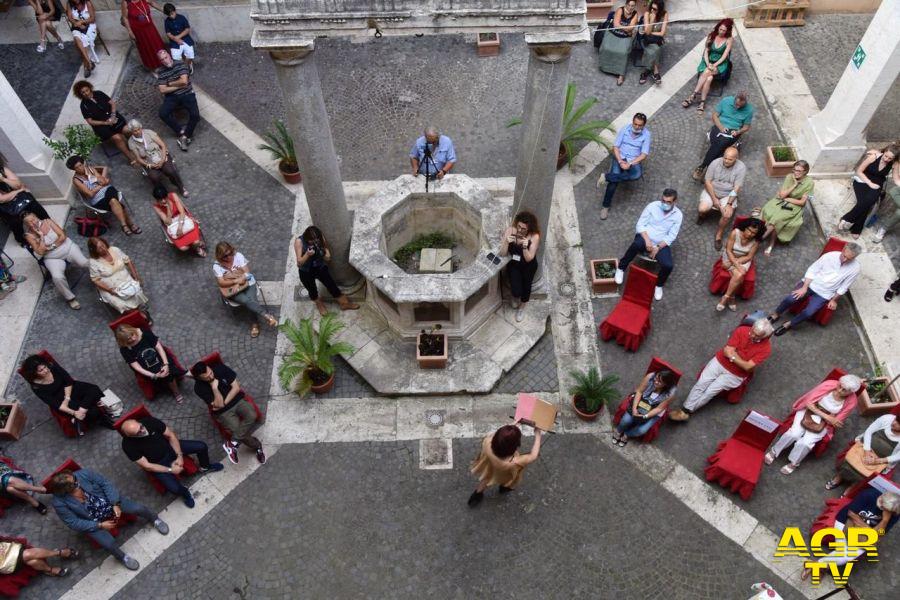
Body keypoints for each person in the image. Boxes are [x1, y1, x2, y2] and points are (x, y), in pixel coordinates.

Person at [49, 468, 169, 571]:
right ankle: (122, 557)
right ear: (65, 490)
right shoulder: (59, 502)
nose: (77, 481)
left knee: (138, 508)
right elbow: (73, 522)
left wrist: (115, 503)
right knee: (109, 544)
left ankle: (155, 519)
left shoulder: (84, 474)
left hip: (109, 502)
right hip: (93, 520)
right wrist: (99, 525)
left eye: (74, 477)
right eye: (74, 483)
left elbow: (105, 484)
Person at [669, 318, 774, 422]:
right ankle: (686, 411)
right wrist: (741, 360)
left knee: (710, 392)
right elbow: (728, 352)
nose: (752, 335)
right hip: (720, 362)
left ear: (764, 337)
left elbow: (747, 367)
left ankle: (685, 411)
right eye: (753, 331)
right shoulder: (742, 330)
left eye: (757, 335)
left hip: (736, 375)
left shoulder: (766, 349)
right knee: (701, 383)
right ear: (753, 326)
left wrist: (733, 357)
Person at [765, 374, 861, 475]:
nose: (840, 390)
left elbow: (836, 421)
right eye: (840, 386)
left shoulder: (852, 401)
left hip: (824, 423)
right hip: (807, 412)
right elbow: (808, 402)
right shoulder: (828, 384)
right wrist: (827, 416)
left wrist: (824, 416)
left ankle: (794, 462)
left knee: (806, 443)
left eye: (845, 390)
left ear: (851, 392)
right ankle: (774, 451)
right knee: (794, 433)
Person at [118, 415, 224, 507]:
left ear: (139, 422)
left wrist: (180, 456)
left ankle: (205, 466)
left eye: (141, 426)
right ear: (130, 436)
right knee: (174, 488)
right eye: (138, 432)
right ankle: (185, 493)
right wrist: (170, 470)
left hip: (170, 448)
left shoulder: (149, 421)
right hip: (158, 462)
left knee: (201, 446)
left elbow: (170, 435)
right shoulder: (127, 445)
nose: (142, 430)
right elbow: (147, 466)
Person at [800, 491, 899, 581]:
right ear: (881, 500)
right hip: (845, 522)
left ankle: (816, 565)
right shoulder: (869, 495)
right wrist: (869, 529)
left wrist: (885, 520)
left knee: (846, 556)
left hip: (862, 536)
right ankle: (821, 568)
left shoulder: (893, 514)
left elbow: (880, 534)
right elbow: (851, 514)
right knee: (843, 553)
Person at [768, 242, 861, 336]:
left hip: (825, 293)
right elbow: (812, 270)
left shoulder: (855, 268)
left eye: (849, 259)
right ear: (843, 249)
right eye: (844, 256)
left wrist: (834, 300)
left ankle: (789, 324)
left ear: (854, 257)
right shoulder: (829, 256)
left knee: (808, 313)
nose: (844, 260)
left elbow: (844, 286)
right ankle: (776, 314)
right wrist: (804, 287)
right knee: (790, 299)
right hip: (811, 284)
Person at [191, 360, 266, 465]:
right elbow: (219, 404)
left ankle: (233, 443)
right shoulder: (198, 388)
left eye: (210, 373)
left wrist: (223, 403)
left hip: (237, 400)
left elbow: (236, 388)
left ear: (209, 367)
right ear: (199, 378)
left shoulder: (220, 368)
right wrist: (214, 388)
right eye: (206, 377)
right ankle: (257, 446)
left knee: (252, 415)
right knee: (237, 430)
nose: (211, 377)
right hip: (223, 412)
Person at [613, 189, 681, 300]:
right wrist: (647, 240)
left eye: (668, 202)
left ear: (675, 202)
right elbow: (640, 225)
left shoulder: (678, 215)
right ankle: (621, 268)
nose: (664, 204)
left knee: (668, 265)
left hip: (661, 243)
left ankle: (659, 285)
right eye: (663, 201)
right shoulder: (652, 206)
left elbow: (672, 236)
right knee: (635, 245)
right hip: (645, 237)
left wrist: (658, 247)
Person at [20, 353, 113, 433]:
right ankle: (99, 420)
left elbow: (68, 380)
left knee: (94, 389)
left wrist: (69, 400)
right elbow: (54, 404)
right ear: (34, 373)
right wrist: (73, 413)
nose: (46, 370)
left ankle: (82, 413)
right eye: (41, 370)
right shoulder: (36, 387)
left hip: (69, 388)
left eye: (45, 367)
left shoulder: (51, 366)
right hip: (60, 401)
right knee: (92, 411)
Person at [22, 212, 88, 310]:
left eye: (33, 220)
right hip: (52, 258)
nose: (32, 223)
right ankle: (70, 298)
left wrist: (51, 246)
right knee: (57, 277)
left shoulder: (48, 222)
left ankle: (100, 273)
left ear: (37, 217)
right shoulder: (29, 235)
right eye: (29, 223)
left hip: (67, 247)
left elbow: (62, 236)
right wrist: (41, 237)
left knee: (84, 263)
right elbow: (40, 251)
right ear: (27, 225)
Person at [468, 424, 543, 507]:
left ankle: (477, 495)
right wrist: (538, 434)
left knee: (487, 478)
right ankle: (503, 488)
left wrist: (512, 426)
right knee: (509, 481)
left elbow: (497, 435)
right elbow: (533, 455)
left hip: (491, 466)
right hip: (505, 473)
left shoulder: (487, 442)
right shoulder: (515, 462)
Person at [214, 242, 278, 338]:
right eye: (225, 256)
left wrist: (239, 282)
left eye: (230, 253)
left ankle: (255, 324)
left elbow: (247, 273)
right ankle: (267, 316)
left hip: (248, 284)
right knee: (246, 300)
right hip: (232, 289)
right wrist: (236, 281)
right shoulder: (217, 266)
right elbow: (221, 283)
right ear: (220, 256)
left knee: (251, 300)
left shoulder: (238, 256)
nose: (229, 257)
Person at [294, 226, 358, 316]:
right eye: (311, 241)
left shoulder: (320, 238)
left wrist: (322, 252)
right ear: (306, 237)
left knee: (331, 285)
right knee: (312, 290)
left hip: (319, 267)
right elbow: (299, 263)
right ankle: (319, 304)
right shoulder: (299, 241)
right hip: (306, 271)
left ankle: (344, 304)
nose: (314, 242)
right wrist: (307, 254)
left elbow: (328, 257)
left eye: (316, 240)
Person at [67, 155, 141, 234]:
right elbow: (90, 194)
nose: (80, 168)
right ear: (73, 169)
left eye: (80, 165)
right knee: (114, 201)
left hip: (108, 190)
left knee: (112, 198)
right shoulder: (76, 180)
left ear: (83, 164)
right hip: (97, 199)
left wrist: (93, 178)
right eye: (77, 167)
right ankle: (130, 224)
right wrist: (101, 185)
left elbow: (103, 181)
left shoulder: (90, 169)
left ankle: (124, 226)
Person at [826, 413, 900, 491]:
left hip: (882, 458)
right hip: (865, 447)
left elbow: (898, 455)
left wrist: (878, 460)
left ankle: (853, 486)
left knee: (866, 473)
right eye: (896, 419)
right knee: (851, 461)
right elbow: (869, 431)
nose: (894, 423)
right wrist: (867, 451)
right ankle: (840, 476)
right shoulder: (887, 418)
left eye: (899, 423)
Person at [597, 112, 651, 220]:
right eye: (635, 124)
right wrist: (621, 161)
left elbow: (644, 154)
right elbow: (616, 147)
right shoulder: (625, 129)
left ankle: (606, 177)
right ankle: (605, 206)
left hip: (633, 160)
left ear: (644, 125)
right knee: (613, 183)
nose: (637, 127)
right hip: (620, 157)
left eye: (640, 125)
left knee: (636, 174)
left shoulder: (647, 135)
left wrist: (630, 163)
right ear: (632, 122)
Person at [115, 323, 186, 403]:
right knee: (165, 374)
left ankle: (176, 391)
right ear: (124, 341)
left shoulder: (144, 332)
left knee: (167, 373)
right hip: (147, 367)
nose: (133, 338)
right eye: (129, 339)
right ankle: (178, 376)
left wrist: (166, 364)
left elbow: (159, 347)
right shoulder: (124, 349)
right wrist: (153, 375)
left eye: (132, 334)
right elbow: (136, 366)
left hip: (159, 357)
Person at [840, 145, 900, 238]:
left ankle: (847, 218)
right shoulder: (874, 157)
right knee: (866, 202)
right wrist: (870, 183)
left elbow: (896, 179)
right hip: (863, 180)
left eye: (890, 158)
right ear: (884, 152)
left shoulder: (894, 164)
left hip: (877, 184)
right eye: (886, 156)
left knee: (868, 201)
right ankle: (856, 228)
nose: (887, 159)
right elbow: (859, 171)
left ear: (894, 158)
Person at [691, 92, 754, 179]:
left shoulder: (749, 110)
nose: (738, 107)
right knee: (720, 144)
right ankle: (710, 168)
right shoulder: (726, 101)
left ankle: (702, 166)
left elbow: (746, 127)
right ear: (734, 99)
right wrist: (721, 127)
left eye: (741, 106)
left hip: (733, 131)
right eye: (736, 104)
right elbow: (714, 115)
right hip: (719, 126)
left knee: (721, 142)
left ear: (745, 103)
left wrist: (738, 132)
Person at [698, 147, 747, 250]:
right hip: (712, 191)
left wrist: (729, 204)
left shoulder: (741, 168)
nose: (726, 161)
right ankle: (702, 215)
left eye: (730, 159)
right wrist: (714, 199)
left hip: (727, 194)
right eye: (725, 158)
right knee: (702, 209)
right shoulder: (715, 163)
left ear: (736, 159)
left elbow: (736, 188)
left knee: (727, 215)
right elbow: (707, 182)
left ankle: (719, 235)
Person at [74, 81, 135, 164]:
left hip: (113, 117)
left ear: (90, 88)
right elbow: (90, 121)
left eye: (86, 90)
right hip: (102, 126)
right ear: (80, 94)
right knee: (117, 138)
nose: (86, 93)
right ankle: (131, 158)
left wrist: (113, 115)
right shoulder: (83, 106)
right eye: (83, 92)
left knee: (127, 130)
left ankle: (135, 146)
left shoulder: (99, 93)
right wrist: (105, 123)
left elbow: (112, 103)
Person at [760, 160, 813, 255]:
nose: (796, 173)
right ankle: (764, 237)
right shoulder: (789, 177)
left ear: (805, 172)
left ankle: (760, 240)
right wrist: (794, 185)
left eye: (799, 171)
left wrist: (788, 200)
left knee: (776, 219)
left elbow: (802, 202)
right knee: (769, 212)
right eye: (795, 170)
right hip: (781, 201)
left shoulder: (810, 183)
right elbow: (782, 195)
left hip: (794, 206)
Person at [613, 369, 678, 446]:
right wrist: (634, 409)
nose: (656, 382)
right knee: (625, 421)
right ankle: (618, 431)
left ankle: (627, 435)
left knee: (641, 430)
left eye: (659, 382)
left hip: (654, 409)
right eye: (656, 378)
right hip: (640, 402)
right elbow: (639, 392)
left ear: (666, 384)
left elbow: (659, 409)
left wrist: (645, 416)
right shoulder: (650, 377)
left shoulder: (670, 394)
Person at [683, 18, 734, 114]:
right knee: (709, 78)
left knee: (707, 72)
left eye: (724, 30)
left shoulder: (729, 39)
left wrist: (714, 65)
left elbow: (724, 56)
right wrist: (708, 64)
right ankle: (702, 103)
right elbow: (706, 52)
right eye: (720, 29)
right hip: (707, 61)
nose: (721, 32)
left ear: (727, 31)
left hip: (720, 63)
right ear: (718, 28)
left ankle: (692, 96)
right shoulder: (712, 35)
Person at [127, 119, 188, 196]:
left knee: (171, 171)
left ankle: (181, 187)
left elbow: (162, 145)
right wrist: (149, 165)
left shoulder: (149, 133)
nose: (138, 132)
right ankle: (162, 193)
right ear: (131, 132)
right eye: (135, 131)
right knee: (154, 177)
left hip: (161, 156)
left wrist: (162, 160)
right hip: (149, 162)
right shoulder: (131, 142)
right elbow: (138, 158)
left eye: (139, 129)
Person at [88, 236, 149, 314]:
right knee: (120, 304)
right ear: (95, 251)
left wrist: (135, 276)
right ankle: (136, 314)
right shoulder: (93, 262)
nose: (103, 248)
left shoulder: (115, 250)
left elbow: (128, 261)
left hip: (126, 280)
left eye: (103, 245)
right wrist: (110, 291)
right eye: (99, 248)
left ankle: (139, 309)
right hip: (110, 288)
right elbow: (96, 280)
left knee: (137, 292)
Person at [714, 217, 764, 312]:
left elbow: (749, 257)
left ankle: (725, 297)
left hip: (743, 260)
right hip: (730, 256)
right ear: (745, 227)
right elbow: (728, 250)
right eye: (749, 230)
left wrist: (736, 263)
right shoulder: (735, 233)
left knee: (739, 274)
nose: (750, 234)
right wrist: (735, 264)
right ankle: (732, 297)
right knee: (740, 274)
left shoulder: (756, 241)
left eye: (754, 233)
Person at [0, 154, 50, 247]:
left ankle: (48, 222)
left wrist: (3, 179)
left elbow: (17, 184)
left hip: (19, 197)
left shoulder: (3, 170)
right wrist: (19, 191)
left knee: (34, 205)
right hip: (6, 206)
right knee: (14, 221)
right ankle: (22, 240)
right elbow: (2, 199)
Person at [155, 48, 200, 151]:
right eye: (162, 59)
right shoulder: (161, 72)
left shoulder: (180, 64)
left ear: (169, 56)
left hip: (187, 93)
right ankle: (180, 132)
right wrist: (178, 85)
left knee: (195, 115)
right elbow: (162, 90)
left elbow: (184, 81)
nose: (165, 60)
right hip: (172, 97)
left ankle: (185, 136)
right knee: (163, 113)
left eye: (166, 57)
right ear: (160, 61)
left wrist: (170, 83)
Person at [499, 211, 541, 323]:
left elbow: (529, 258)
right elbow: (502, 253)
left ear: (529, 229)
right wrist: (507, 242)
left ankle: (521, 309)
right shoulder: (511, 231)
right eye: (519, 227)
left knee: (526, 288)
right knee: (516, 289)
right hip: (514, 264)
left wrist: (524, 247)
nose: (520, 230)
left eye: (524, 229)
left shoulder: (534, 237)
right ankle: (514, 297)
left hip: (528, 266)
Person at [151, 185, 205, 256]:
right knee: (184, 248)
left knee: (196, 242)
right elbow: (168, 222)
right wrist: (168, 208)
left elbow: (182, 212)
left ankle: (197, 248)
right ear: (157, 200)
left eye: (164, 198)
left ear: (167, 195)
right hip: (172, 225)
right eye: (160, 199)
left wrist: (180, 227)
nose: (163, 201)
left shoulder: (173, 196)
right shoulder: (156, 206)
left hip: (183, 219)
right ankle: (195, 245)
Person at [598, 0, 639, 86]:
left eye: (633, 6)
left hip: (625, 36)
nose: (631, 7)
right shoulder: (620, 10)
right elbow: (616, 24)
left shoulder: (635, 14)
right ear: (626, 4)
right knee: (607, 48)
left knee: (623, 52)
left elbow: (630, 28)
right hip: (613, 33)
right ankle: (605, 67)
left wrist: (625, 28)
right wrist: (626, 28)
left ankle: (621, 74)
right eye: (629, 5)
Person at [121, 0, 166, 70]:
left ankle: (163, 61)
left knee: (157, 45)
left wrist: (164, 11)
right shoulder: (125, 2)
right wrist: (130, 31)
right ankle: (152, 67)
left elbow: (152, 3)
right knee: (147, 49)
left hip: (150, 28)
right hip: (139, 32)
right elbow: (125, 18)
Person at [0, 538, 76, 578]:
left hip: (8, 549)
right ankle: (59, 553)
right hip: (5, 563)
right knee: (27, 554)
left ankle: (49, 570)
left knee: (33, 561)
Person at [636, 0, 668, 85]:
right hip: (647, 40)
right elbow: (647, 33)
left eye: (655, 9)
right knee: (656, 49)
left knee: (654, 49)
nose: (652, 10)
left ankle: (645, 72)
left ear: (660, 10)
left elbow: (662, 33)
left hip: (656, 39)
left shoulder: (664, 14)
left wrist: (651, 32)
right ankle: (655, 72)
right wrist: (652, 20)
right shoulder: (647, 14)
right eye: (652, 8)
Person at [66, 1, 99, 77]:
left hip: (89, 26)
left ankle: (86, 65)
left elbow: (93, 19)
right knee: (77, 38)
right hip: (77, 27)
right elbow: (70, 18)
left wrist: (82, 21)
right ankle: (89, 63)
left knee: (77, 43)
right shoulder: (69, 4)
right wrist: (77, 24)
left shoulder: (87, 3)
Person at [163, 3, 194, 72]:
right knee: (175, 57)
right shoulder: (167, 21)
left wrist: (178, 37)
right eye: (169, 15)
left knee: (190, 54)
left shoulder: (182, 18)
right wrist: (176, 39)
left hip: (186, 39)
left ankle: (188, 64)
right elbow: (168, 33)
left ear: (175, 11)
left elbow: (187, 29)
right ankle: (183, 67)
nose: (171, 16)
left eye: (172, 13)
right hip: (174, 42)